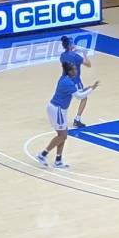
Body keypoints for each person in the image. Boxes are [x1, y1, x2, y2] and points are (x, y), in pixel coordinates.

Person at [37, 37, 87, 167]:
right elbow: (79, 96)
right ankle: (43, 154)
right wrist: (91, 88)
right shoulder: (68, 83)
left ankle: (58, 160)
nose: (76, 70)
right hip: (57, 109)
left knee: (62, 135)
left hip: (58, 109)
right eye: (74, 69)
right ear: (70, 71)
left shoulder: (63, 75)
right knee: (62, 136)